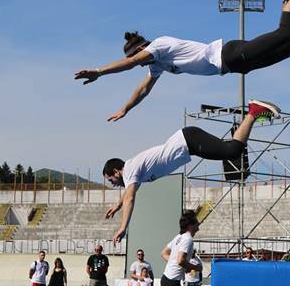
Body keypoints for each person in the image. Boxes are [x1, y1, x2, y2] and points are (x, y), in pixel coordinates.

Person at [74, 0, 290, 122]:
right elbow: (143, 89)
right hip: (234, 66)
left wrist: (98, 72)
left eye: (140, 59)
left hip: (229, 55)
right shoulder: (159, 65)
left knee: (284, 35)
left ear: (142, 49)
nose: (143, 66)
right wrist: (125, 109)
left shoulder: (160, 46)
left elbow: (130, 64)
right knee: (289, 48)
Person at [103, 99, 280, 243]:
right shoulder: (133, 172)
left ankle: (253, 112)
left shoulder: (130, 170)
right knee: (231, 150)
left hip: (188, 141)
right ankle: (254, 114)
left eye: (111, 180)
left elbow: (130, 197)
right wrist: (117, 205)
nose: (113, 184)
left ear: (117, 171)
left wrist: (123, 227)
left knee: (232, 151)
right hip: (189, 143)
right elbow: (128, 193)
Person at [145, 210, 202, 286]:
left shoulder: (179, 237)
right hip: (171, 282)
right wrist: (195, 267)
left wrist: (182, 265)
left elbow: (164, 253)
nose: (198, 224)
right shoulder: (187, 239)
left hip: (170, 280)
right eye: (196, 222)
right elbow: (180, 260)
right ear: (190, 225)